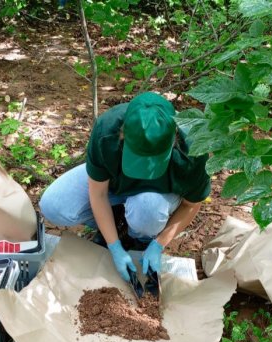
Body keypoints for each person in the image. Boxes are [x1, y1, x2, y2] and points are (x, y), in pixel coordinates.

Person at [39, 92, 210, 282]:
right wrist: (114, 246)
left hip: (155, 197)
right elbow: (98, 193)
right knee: (53, 205)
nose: (145, 168)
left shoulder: (195, 148)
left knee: (147, 208)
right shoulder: (107, 129)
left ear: (175, 139)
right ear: (123, 134)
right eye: (138, 158)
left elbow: (191, 205)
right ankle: (117, 224)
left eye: (153, 161)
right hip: (114, 186)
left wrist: (159, 244)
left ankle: (140, 239)